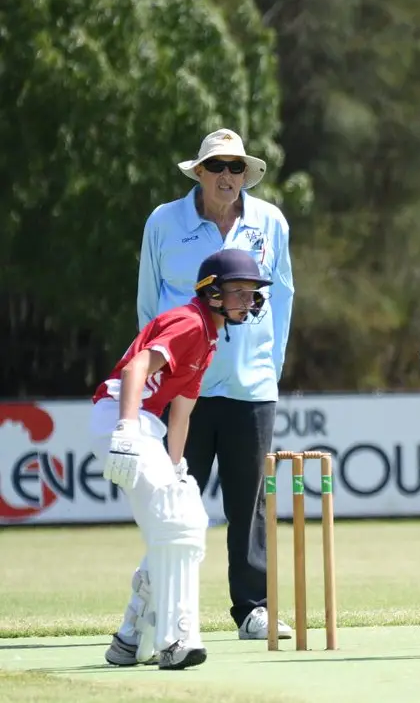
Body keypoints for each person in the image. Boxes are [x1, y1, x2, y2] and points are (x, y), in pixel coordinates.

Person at [137, 128, 296, 641]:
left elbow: (283, 298)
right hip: (184, 386)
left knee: (249, 503)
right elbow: (149, 302)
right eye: (218, 166)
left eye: (236, 167)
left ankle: (253, 609)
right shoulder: (164, 221)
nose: (227, 176)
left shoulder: (270, 221)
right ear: (200, 172)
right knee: (172, 498)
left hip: (251, 386)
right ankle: (156, 606)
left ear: (245, 174)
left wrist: (270, 369)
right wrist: (154, 375)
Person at [100, 249, 272, 669]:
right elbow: (135, 368)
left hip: (145, 424)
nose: (248, 300)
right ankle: (175, 640)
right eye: (239, 292)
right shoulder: (189, 322)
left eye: (252, 293)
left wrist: (177, 468)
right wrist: (125, 428)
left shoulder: (208, 340)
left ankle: (130, 638)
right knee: (180, 521)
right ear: (212, 293)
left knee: (179, 516)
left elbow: (181, 413)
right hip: (122, 414)